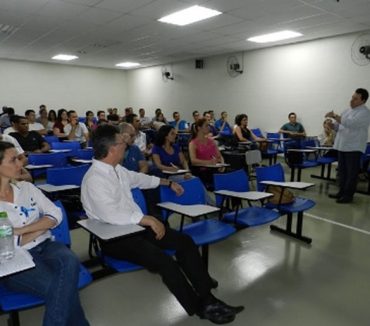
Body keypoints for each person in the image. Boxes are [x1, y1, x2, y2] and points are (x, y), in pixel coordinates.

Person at [81, 124, 242, 324]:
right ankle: (200, 308)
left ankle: (209, 298)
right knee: (166, 263)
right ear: (112, 149)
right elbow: (109, 213)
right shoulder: (94, 179)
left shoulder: (117, 170)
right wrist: (146, 219)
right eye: (122, 142)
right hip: (115, 238)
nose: (126, 145)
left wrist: (168, 183)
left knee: (184, 242)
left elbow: (141, 179)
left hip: (136, 228)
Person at [0, 141, 89, 326]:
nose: (20, 164)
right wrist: (42, 227)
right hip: (14, 261)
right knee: (61, 289)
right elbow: (3, 245)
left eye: (19, 158)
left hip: (46, 245)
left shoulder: (27, 188)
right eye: (13, 160)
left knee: (70, 260)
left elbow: (55, 214)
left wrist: (22, 231)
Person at [326, 88, 370, 203]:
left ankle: (348, 195)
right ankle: (341, 191)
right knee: (342, 171)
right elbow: (339, 126)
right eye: (352, 97)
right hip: (342, 145)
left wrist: (335, 116)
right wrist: (332, 125)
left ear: (363, 100)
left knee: (352, 173)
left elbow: (350, 124)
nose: (352, 100)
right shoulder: (346, 111)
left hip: (353, 147)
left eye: (355, 98)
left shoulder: (365, 113)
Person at [189, 118, 225, 188]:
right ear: (199, 128)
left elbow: (219, 156)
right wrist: (209, 162)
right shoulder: (193, 143)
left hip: (214, 169)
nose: (209, 127)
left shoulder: (212, 141)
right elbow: (193, 161)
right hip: (203, 171)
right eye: (206, 126)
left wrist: (222, 164)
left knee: (233, 175)